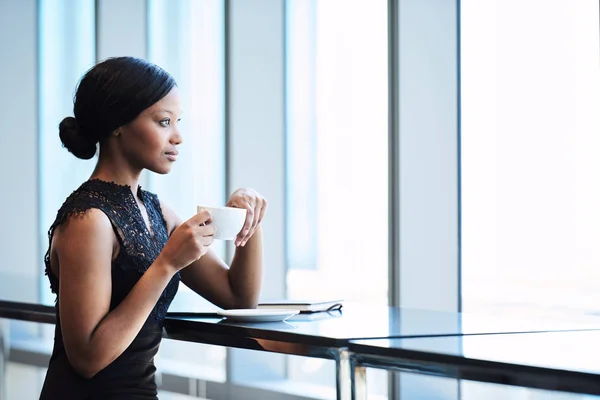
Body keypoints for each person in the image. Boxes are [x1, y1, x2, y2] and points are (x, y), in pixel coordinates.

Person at [39, 56, 266, 399]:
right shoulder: (88, 221)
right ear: (117, 124)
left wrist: (250, 220)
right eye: (163, 122)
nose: (178, 137)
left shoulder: (156, 211)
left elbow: (239, 298)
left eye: (178, 122)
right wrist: (167, 264)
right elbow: (87, 359)